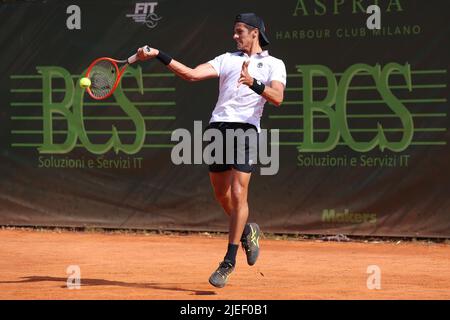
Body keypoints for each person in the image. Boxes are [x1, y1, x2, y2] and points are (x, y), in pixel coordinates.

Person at [137, 12, 286, 288]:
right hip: (218, 129)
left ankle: (228, 262)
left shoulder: (274, 64)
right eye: (234, 31)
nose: (234, 35)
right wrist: (159, 53)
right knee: (222, 194)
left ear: (255, 33)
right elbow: (191, 74)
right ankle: (247, 232)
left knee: (239, 192)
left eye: (239, 31)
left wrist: (253, 82)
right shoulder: (225, 59)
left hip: (246, 130)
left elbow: (277, 97)